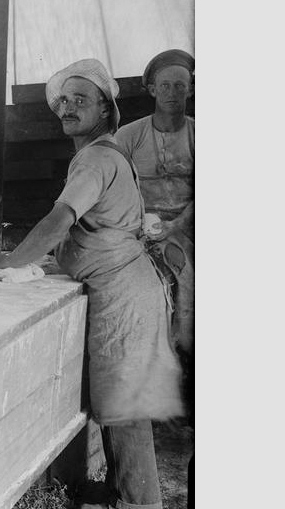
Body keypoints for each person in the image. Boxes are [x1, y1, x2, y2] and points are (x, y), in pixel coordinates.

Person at [0, 59, 183, 509]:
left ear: (106, 111)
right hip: (128, 291)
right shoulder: (104, 153)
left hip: (123, 297)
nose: (68, 108)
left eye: (81, 100)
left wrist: (11, 260)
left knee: (128, 414)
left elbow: (59, 220)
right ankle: (118, 497)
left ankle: (140, 503)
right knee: (119, 410)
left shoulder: (95, 158)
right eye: (63, 100)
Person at [114, 49, 194, 415]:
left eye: (181, 85)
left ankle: (188, 371)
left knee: (188, 276)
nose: (173, 93)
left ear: (191, 90)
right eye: (165, 85)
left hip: (189, 226)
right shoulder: (130, 135)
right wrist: (139, 226)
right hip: (137, 227)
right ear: (151, 89)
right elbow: (111, 183)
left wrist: (177, 227)